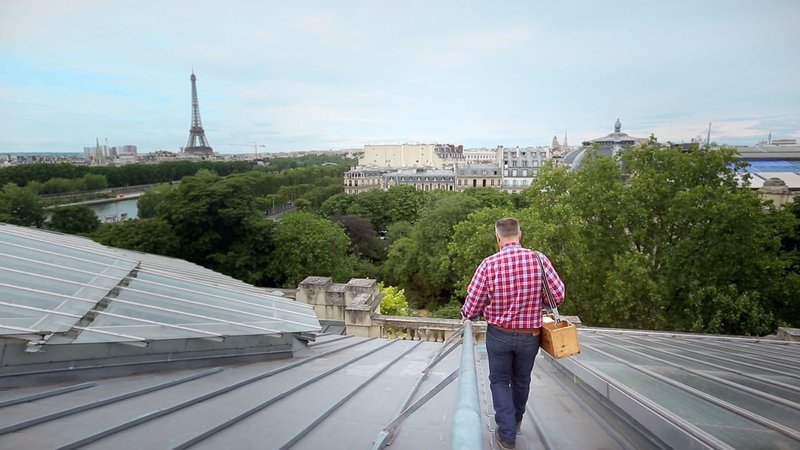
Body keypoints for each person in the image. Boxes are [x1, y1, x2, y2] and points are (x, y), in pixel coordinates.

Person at [461, 217, 565, 450]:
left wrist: (467, 313)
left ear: (497, 238)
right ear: (520, 235)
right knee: (522, 380)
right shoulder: (539, 260)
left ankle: (506, 434)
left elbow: (472, 305)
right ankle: (515, 422)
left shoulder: (489, 264)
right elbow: (557, 296)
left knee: (499, 380)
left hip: (499, 334)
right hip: (530, 335)